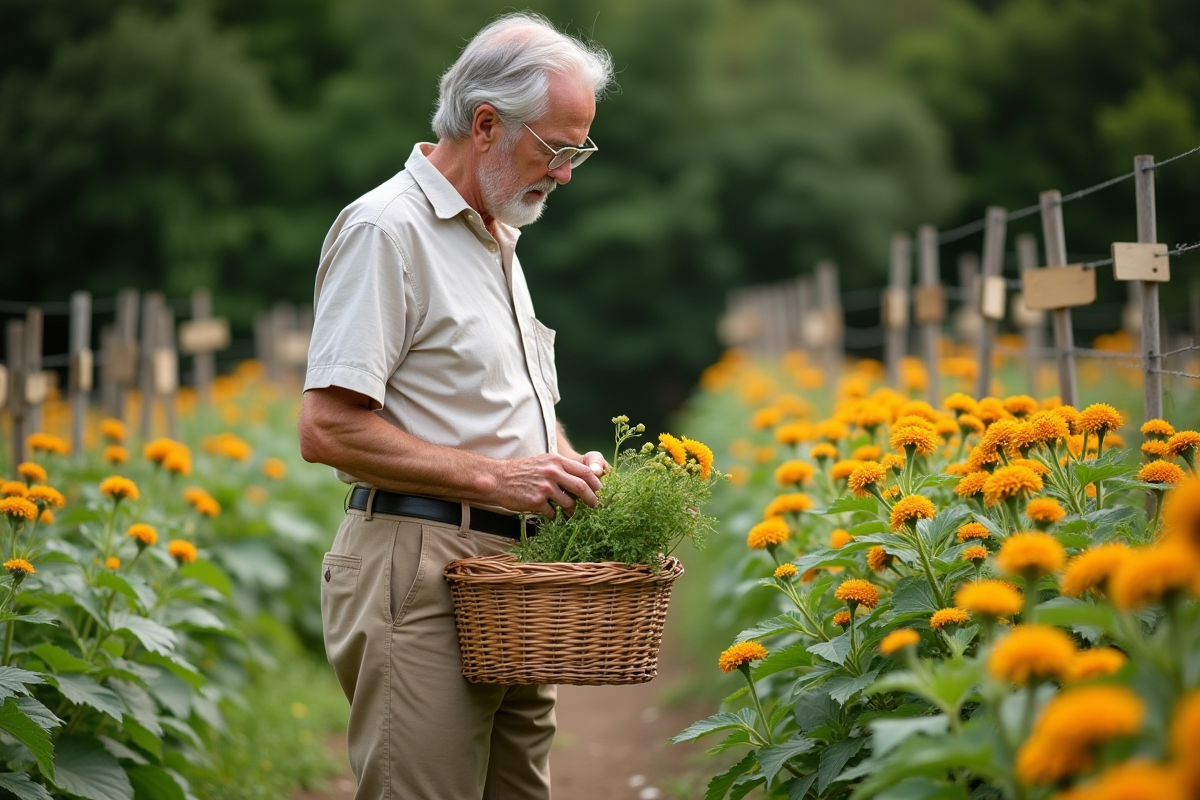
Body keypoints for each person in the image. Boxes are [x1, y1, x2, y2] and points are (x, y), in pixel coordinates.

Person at [296, 11, 616, 800]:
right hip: (421, 570)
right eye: (557, 147)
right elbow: (327, 427)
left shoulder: (498, 237)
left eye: (580, 149)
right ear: (485, 123)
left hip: (513, 584)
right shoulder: (386, 229)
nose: (567, 172)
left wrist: (565, 466)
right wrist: (495, 480)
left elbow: (503, 407)